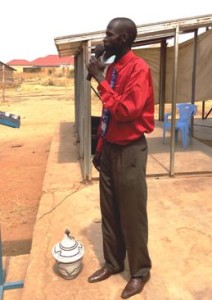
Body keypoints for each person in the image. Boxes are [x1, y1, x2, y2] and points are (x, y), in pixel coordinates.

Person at [87, 17, 154, 299]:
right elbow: (107, 114)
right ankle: (114, 263)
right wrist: (100, 148)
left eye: (109, 35)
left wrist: (101, 80)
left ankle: (140, 271)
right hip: (111, 148)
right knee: (110, 211)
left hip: (130, 151)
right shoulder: (113, 67)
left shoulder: (139, 69)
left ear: (125, 38)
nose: (105, 39)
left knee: (132, 213)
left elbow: (126, 111)